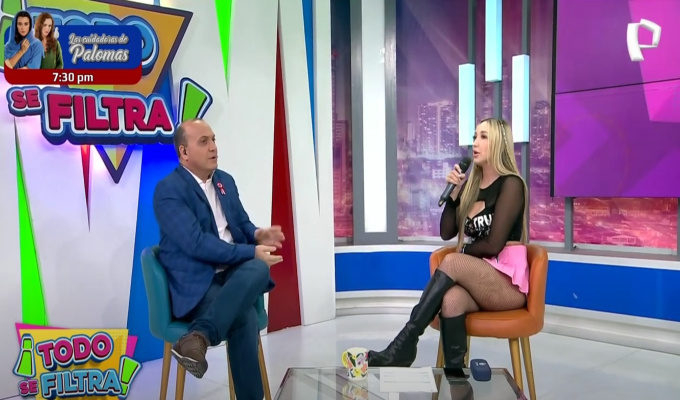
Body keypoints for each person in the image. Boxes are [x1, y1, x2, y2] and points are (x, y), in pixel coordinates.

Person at [367, 118, 529, 368]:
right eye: (474, 137)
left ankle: (404, 344)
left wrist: (462, 252)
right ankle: (456, 378)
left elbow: (494, 245)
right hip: (479, 279)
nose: (475, 143)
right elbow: (446, 232)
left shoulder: (511, 184)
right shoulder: (471, 187)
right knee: (451, 299)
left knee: (453, 260)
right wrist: (454, 195)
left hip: (506, 285)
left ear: (499, 143)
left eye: (483, 137)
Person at [153, 119, 285, 400]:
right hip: (197, 284)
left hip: (233, 275)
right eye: (203, 142)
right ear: (183, 152)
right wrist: (250, 252)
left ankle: (198, 337)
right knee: (243, 317)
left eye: (213, 139)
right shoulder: (168, 191)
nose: (213, 147)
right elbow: (197, 244)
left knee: (258, 268)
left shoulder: (225, 180)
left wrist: (257, 234)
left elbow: (241, 224)